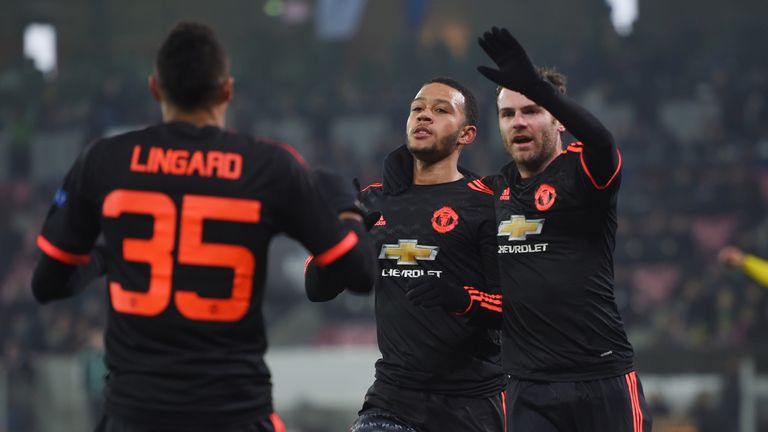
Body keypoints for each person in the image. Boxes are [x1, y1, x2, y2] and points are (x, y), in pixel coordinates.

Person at [31, 21, 376, 432]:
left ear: (155, 88)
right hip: (234, 413)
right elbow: (358, 273)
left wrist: (105, 259)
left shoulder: (104, 160)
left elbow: (48, 283)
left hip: (135, 416)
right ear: (226, 90)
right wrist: (346, 209)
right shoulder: (270, 166)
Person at [476, 27, 652, 431]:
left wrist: (542, 89)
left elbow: (603, 143)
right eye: (508, 114)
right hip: (527, 386)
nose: (518, 122)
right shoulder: (492, 191)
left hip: (602, 377)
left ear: (557, 120)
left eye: (532, 109)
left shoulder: (582, 172)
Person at [306, 77, 504, 431]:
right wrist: (341, 238)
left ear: (467, 134)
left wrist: (461, 299)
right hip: (392, 401)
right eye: (417, 109)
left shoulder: (485, 202)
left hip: (473, 404)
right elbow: (316, 289)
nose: (424, 116)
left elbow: (514, 309)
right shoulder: (371, 200)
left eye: (440, 110)